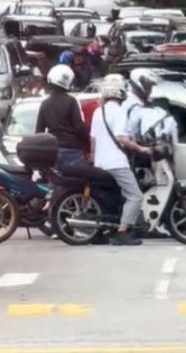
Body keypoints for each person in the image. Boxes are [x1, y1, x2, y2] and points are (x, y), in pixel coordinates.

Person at [89, 74, 151, 246]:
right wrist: (141, 148)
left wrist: (94, 159)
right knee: (135, 196)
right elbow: (121, 138)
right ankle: (122, 232)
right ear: (121, 92)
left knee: (112, 197)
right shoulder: (119, 111)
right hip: (116, 163)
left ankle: (104, 229)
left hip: (100, 163)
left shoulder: (97, 111)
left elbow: (93, 139)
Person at [35, 64, 90, 171]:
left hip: (53, 150)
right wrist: (88, 143)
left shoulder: (45, 103)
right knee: (79, 182)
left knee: (55, 182)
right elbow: (79, 126)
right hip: (73, 150)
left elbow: (39, 130)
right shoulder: (71, 101)